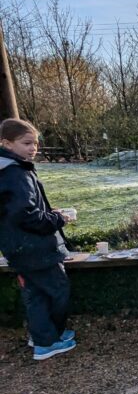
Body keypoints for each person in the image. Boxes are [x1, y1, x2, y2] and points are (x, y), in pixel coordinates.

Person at [0, 118, 76, 361]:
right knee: (57, 290)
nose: (33, 148)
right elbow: (26, 215)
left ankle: (40, 334)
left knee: (35, 293)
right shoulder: (15, 173)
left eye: (35, 143)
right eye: (26, 143)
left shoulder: (9, 169)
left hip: (17, 247)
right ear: (7, 143)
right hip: (35, 248)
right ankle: (48, 341)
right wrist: (57, 219)